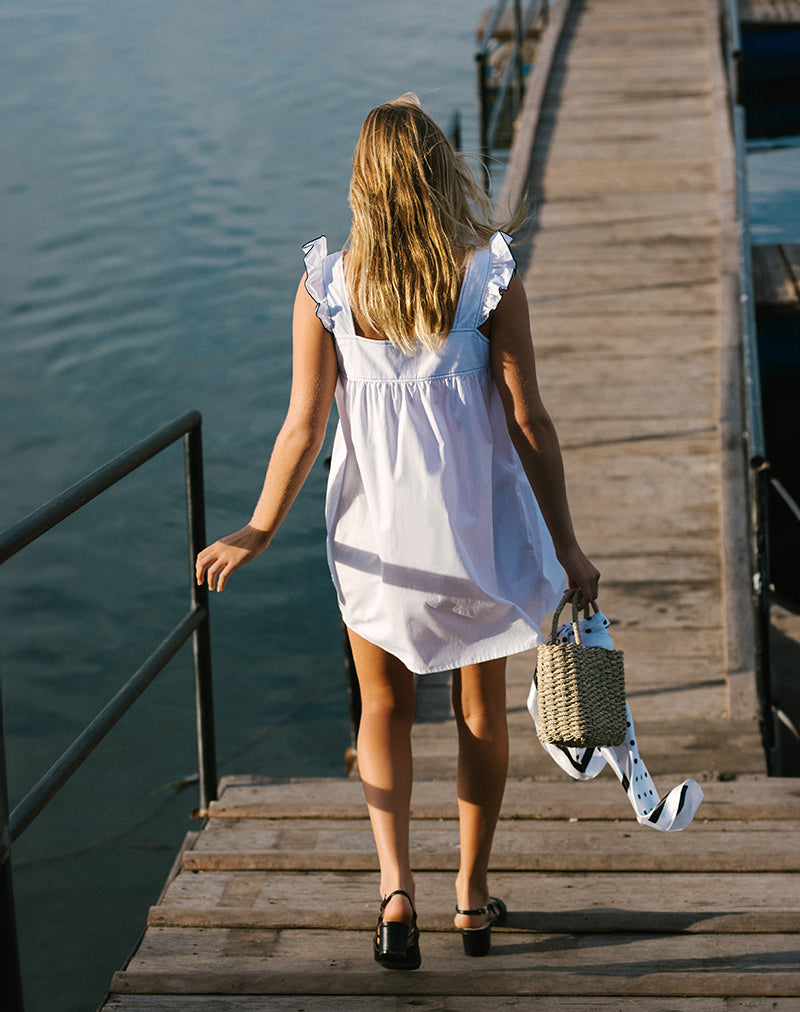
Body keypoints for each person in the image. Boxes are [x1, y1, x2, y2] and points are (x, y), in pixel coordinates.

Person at [196, 94, 599, 970]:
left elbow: (302, 429)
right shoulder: (486, 278)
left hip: (376, 540)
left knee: (381, 706)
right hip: (476, 534)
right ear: (438, 170)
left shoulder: (329, 288)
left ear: (363, 181)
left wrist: (258, 528)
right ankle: (471, 897)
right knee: (479, 710)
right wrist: (567, 546)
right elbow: (529, 420)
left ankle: (395, 896)